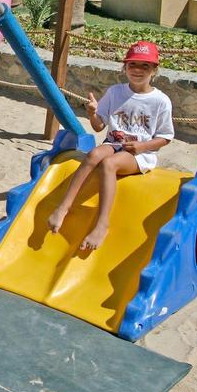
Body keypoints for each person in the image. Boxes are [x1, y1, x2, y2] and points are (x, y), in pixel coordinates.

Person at [48, 41, 174, 251]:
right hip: (114, 143)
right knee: (94, 154)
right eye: (133, 64)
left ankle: (102, 224)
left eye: (145, 66)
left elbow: (166, 137)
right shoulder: (116, 92)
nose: (137, 70)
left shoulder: (160, 101)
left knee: (108, 164)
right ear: (124, 67)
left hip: (140, 154)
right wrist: (92, 113)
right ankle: (64, 207)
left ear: (154, 70)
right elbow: (99, 127)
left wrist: (141, 147)